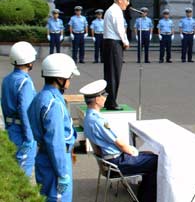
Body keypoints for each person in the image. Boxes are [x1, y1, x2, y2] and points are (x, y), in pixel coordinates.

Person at [80, 80, 158, 202]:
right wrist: (133, 151)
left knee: (150, 156)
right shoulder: (97, 121)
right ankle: (146, 198)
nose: (105, 98)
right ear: (97, 99)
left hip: (109, 160)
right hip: (117, 161)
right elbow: (119, 143)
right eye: (103, 95)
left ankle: (143, 194)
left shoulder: (88, 118)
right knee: (156, 161)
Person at [27, 53, 80, 202]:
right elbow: (55, 142)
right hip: (55, 163)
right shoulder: (54, 104)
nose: (70, 80)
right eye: (69, 77)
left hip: (45, 157)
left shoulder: (41, 96)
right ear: (60, 77)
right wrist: (62, 173)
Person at [1, 41, 37, 176]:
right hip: (23, 132)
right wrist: (29, 138)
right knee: (22, 177)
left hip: (10, 129)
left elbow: (4, 105)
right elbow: (25, 111)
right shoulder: (25, 82)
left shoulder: (7, 79)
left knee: (10, 173)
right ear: (29, 61)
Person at [103, 0, 130, 111]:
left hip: (109, 43)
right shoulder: (116, 11)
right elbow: (119, 28)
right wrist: (126, 41)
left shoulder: (111, 10)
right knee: (114, 74)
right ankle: (111, 102)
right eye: (127, 0)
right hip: (114, 43)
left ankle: (109, 100)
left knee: (109, 73)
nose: (128, 3)